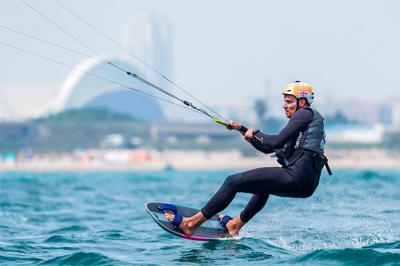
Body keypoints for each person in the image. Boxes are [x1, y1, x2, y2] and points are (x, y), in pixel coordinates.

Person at [164, 81, 332, 236]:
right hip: (305, 184)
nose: (284, 105)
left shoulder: (305, 113)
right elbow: (268, 148)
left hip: (297, 177)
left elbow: (276, 141)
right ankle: (235, 225)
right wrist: (243, 130)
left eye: (289, 101)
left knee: (232, 182)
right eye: (284, 101)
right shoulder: (303, 127)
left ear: (301, 102)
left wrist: (254, 133)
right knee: (263, 186)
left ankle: (191, 224)